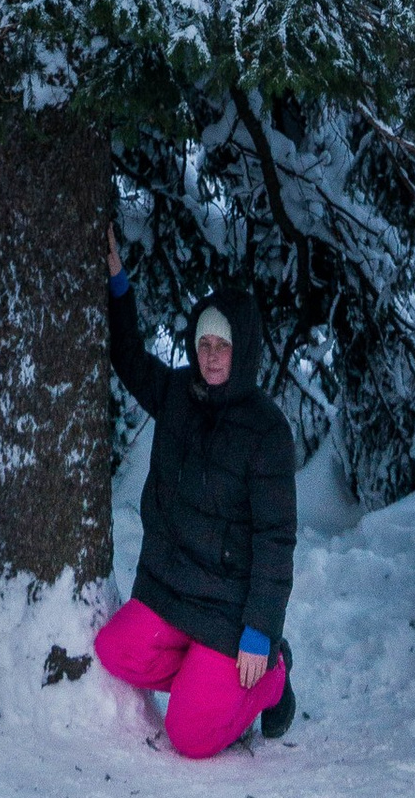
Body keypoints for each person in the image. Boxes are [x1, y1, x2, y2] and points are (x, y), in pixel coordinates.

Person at [92, 225, 298, 756]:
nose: (210, 357)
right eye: (203, 344)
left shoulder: (267, 432)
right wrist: (118, 282)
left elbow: (276, 540)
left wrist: (260, 630)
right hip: (172, 592)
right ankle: (207, 683)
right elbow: (130, 357)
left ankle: (272, 676)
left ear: (242, 350)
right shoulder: (179, 394)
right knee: (115, 651)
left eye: (222, 346)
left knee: (189, 736)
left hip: (230, 612)